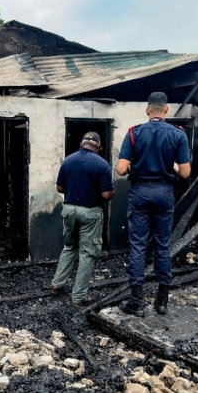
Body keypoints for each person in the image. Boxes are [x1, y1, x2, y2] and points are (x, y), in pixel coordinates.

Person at [116, 92, 191, 316]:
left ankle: (136, 302)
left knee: (138, 245)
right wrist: (172, 168)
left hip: (140, 191)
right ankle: (162, 302)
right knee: (162, 244)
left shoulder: (133, 133)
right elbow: (185, 173)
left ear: (148, 110)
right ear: (166, 110)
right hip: (164, 193)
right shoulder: (178, 134)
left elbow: (121, 169)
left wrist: (136, 166)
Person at [51, 131, 114, 307]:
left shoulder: (68, 160)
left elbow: (60, 187)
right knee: (87, 253)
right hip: (90, 212)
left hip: (69, 210)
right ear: (98, 146)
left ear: (81, 143)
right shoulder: (102, 165)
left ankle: (57, 284)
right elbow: (107, 195)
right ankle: (78, 297)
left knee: (69, 246)